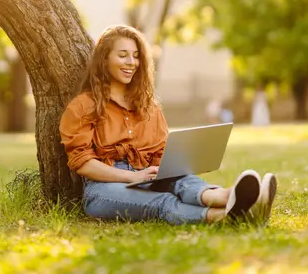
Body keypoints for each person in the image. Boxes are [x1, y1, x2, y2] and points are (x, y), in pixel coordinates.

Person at [59, 25, 278, 225]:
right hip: (103, 189)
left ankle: (227, 197)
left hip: (146, 175)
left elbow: (162, 154)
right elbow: (82, 163)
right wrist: (131, 176)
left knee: (182, 182)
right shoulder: (83, 106)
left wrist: (173, 166)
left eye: (136, 56)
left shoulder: (148, 106)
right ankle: (227, 217)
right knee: (163, 201)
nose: (131, 62)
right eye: (123, 55)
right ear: (104, 60)